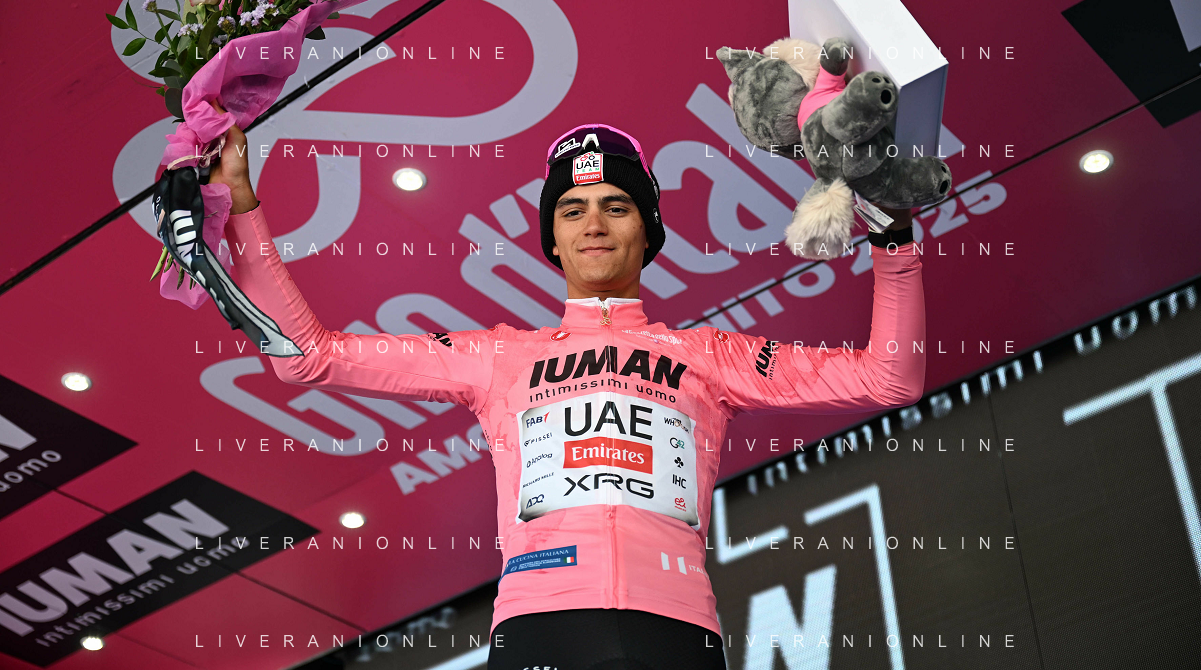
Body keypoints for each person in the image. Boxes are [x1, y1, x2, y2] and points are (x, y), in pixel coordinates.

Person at [208, 104, 925, 670]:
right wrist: (241, 204)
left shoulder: (707, 355)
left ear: (648, 230)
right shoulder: (496, 357)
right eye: (572, 211)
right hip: (539, 629)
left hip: (675, 628)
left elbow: (889, 377)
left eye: (616, 206)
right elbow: (305, 356)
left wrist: (892, 238)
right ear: (552, 241)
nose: (594, 224)